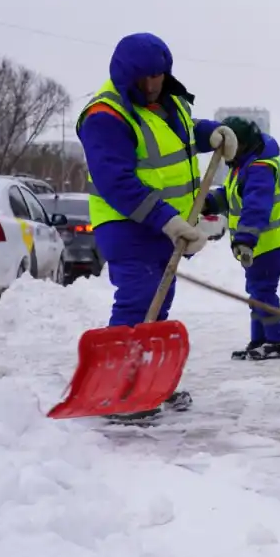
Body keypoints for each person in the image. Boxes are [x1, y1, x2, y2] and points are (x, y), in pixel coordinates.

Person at [76, 31, 238, 412]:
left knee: (158, 302)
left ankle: (146, 386)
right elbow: (116, 182)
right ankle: (119, 391)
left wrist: (210, 132)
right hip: (127, 224)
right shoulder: (105, 116)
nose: (152, 85)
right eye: (144, 78)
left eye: (158, 76)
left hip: (163, 226)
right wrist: (167, 219)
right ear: (125, 75)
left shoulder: (168, 102)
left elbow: (182, 131)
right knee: (137, 301)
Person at [204, 117, 280, 360]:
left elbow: (256, 206)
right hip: (266, 243)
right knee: (257, 290)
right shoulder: (243, 164)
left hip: (276, 241)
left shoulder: (260, 167)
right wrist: (208, 203)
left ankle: (278, 342)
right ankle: (261, 340)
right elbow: (232, 197)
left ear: (242, 144)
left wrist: (245, 239)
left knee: (262, 290)